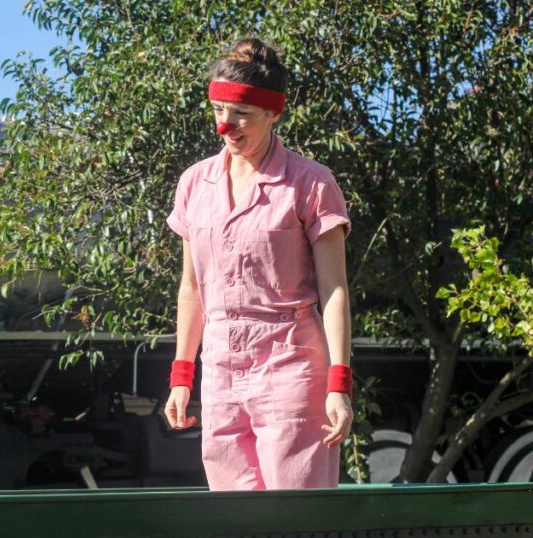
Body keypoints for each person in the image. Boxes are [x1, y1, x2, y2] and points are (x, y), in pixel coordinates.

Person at [163, 38, 353, 490]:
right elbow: (191, 289)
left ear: (274, 114)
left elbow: (335, 290)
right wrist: (181, 374)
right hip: (221, 371)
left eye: (240, 114)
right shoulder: (194, 184)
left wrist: (339, 385)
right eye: (217, 111)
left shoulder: (311, 183)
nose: (224, 126)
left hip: (291, 367)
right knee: (233, 522)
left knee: (295, 522)